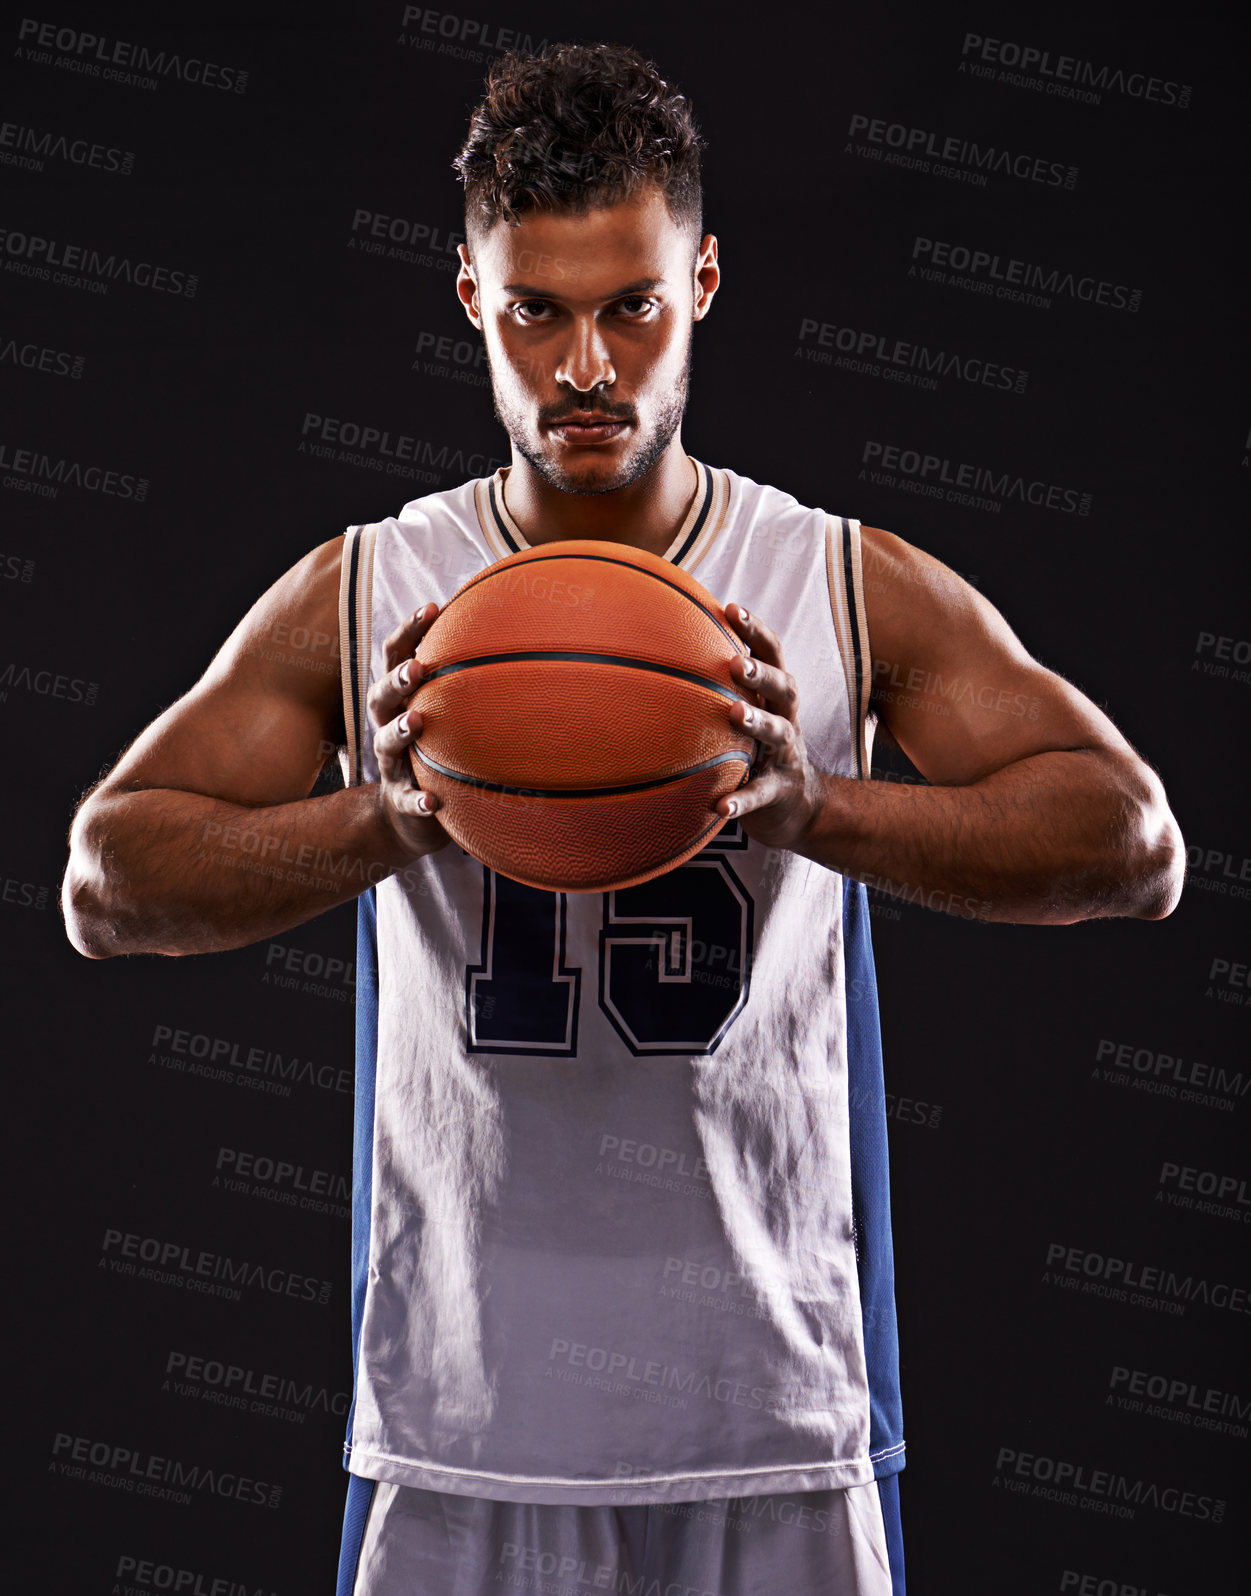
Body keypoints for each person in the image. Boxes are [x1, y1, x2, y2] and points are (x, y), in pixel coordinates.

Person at [61, 41, 1184, 1596]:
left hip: (780, 1420)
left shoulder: (837, 583)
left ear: (703, 280)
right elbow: (106, 881)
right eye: (537, 311)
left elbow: (1133, 846)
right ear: (470, 297)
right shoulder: (376, 590)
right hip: (464, 1430)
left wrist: (812, 808)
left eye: (630, 306)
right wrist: (386, 823)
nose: (588, 365)